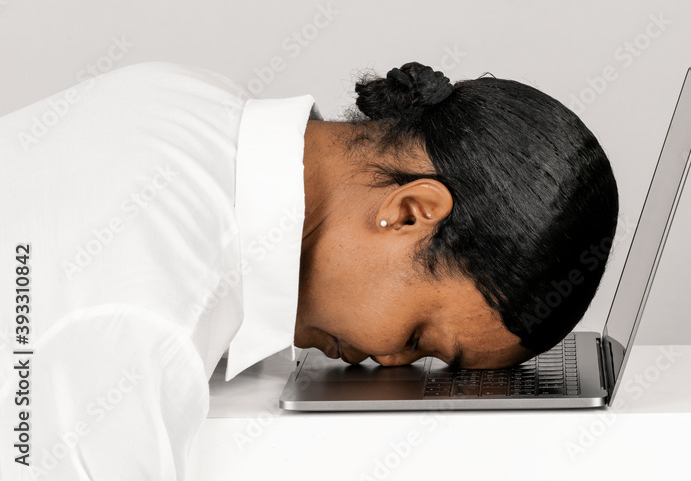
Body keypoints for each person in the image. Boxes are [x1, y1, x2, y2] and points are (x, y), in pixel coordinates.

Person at [0, 60, 619, 479]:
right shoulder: (142, 310)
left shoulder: (194, 104)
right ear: (409, 214)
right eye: (417, 340)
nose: (389, 362)